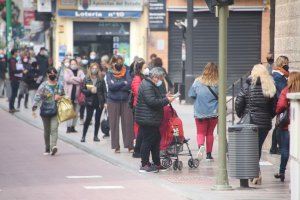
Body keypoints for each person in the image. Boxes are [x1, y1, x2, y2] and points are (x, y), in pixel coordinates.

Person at [235, 64, 277, 185]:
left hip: (250, 122)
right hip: (264, 124)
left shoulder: (247, 85)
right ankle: (255, 173)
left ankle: (255, 173)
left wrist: (242, 115)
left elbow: (238, 102)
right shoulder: (270, 86)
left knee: (250, 149)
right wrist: (268, 117)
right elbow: (274, 108)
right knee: (256, 148)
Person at [135, 67, 175, 173]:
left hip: (151, 118)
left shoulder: (150, 84)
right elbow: (152, 102)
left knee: (156, 140)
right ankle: (144, 164)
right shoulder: (147, 85)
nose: (161, 80)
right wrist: (166, 100)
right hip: (147, 119)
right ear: (155, 77)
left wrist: (164, 96)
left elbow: (154, 97)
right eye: (161, 78)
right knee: (147, 141)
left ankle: (157, 163)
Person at [188, 62, 218, 161]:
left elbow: (191, 95)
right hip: (213, 112)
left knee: (200, 132)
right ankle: (209, 155)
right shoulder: (217, 83)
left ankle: (201, 145)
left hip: (200, 112)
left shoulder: (197, 81)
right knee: (210, 133)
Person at [274, 72, 300, 182]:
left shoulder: (286, 90)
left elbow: (280, 106)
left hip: (286, 126)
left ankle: (282, 172)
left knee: (285, 149)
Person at [32, 67, 64, 156]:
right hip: (45, 110)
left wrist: (60, 97)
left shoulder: (60, 85)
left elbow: (64, 96)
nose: (52, 74)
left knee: (54, 129)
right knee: (47, 130)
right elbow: (38, 96)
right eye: (51, 73)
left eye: (54, 73)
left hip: (56, 110)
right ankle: (47, 147)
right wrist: (34, 107)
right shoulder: (43, 85)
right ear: (47, 74)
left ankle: (53, 146)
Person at [106, 55, 134, 153]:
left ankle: (129, 145)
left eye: (120, 62)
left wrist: (118, 85)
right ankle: (116, 146)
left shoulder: (126, 71)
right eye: (117, 62)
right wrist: (123, 83)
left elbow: (130, 83)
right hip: (112, 101)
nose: (119, 64)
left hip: (126, 100)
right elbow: (111, 86)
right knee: (114, 124)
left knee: (128, 123)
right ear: (113, 63)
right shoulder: (109, 73)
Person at [81, 63, 107, 142]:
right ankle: (83, 136)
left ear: (98, 69)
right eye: (93, 68)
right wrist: (90, 91)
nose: (94, 70)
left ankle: (95, 136)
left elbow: (104, 91)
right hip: (89, 101)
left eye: (96, 68)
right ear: (90, 69)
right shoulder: (86, 78)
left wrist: (105, 102)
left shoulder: (101, 79)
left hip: (99, 101)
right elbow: (83, 90)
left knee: (97, 119)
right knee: (88, 119)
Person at [270, 56, 289, 155]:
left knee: (278, 124)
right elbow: (283, 90)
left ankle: (273, 148)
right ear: (282, 64)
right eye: (286, 63)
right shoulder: (278, 76)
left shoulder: (278, 75)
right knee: (279, 125)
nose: (287, 66)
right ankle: (276, 148)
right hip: (280, 103)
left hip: (278, 102)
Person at [131, 58, 147, 158]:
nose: (147, 69)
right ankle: (137, 150)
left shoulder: (144, 77)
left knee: (141, 129)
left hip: (143, 106)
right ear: (140, 68)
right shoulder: (137, 78)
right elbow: (138, 92)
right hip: (138, 107)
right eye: (145, 67)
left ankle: (139, 149)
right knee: (138, 129)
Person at [64, 59, 85, 133]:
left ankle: (73, 127)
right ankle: (68, 127)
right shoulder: (67, 71)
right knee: (69, 112)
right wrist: (77, 80)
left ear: (77, 64)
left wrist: (73, 78)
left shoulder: (80, 71)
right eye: (72, 64)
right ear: (70, 64)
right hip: (69, 95)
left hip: (78, 96)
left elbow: (83, 79)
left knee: (76, 112)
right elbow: (67, 79)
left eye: (74, 63)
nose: (73, 65)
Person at [8, 49, 23, 113]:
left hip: (15, 78)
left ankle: (12, 107)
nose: (18, 53)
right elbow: (14, 70)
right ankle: (11, 108)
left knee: (14, 93)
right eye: (17, 52)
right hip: (14, 79)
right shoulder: (12, 60)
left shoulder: (14, 60)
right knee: (14, 94)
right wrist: (21, 71)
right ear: (14, 53)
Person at [79, 55, 89, 125]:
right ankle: (81, 118)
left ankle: (88, 119)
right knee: (82, 103)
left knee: (88, 103)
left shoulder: (88, 66)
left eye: (86, 59)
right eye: (83, 59)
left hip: (88, 85)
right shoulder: (79, 68)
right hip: (82, 86)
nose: (85, 60)